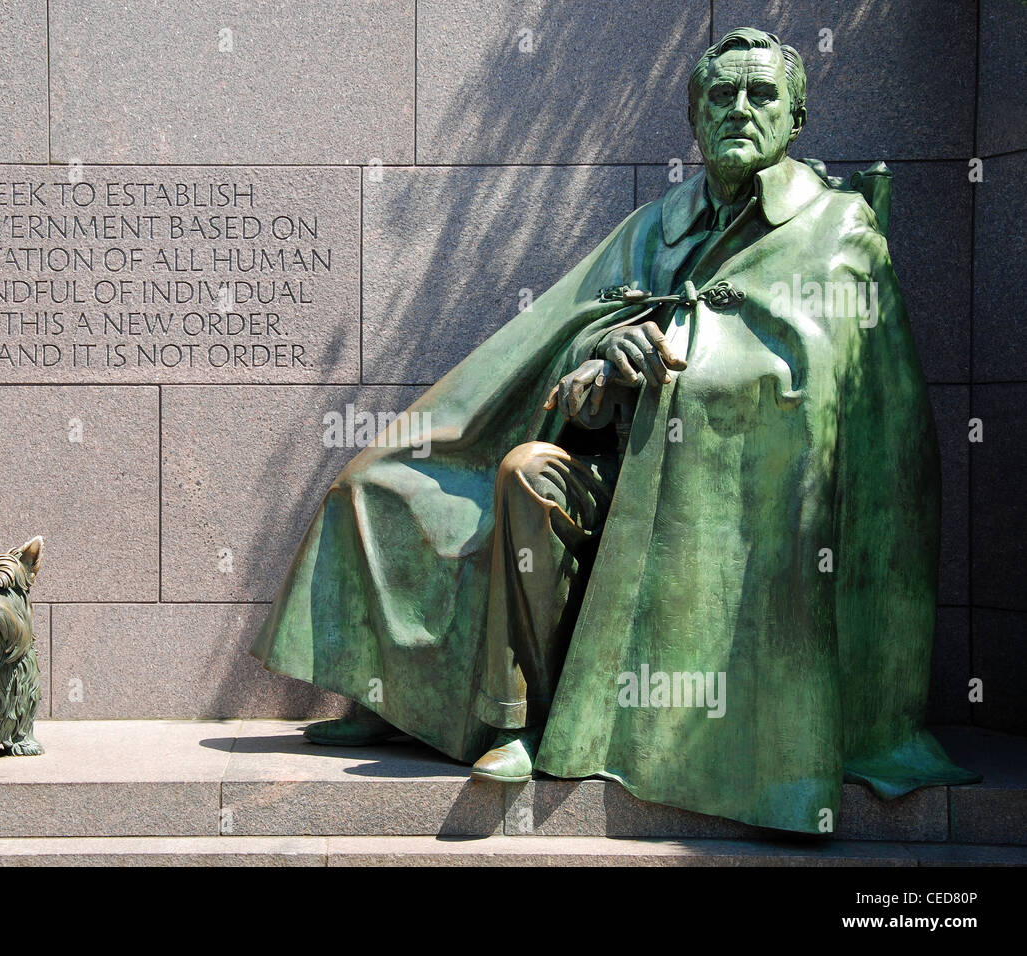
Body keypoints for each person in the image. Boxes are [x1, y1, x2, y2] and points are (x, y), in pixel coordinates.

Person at [250, 27, 978, 833]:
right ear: (695, 120)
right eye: (720, 95)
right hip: (619, 474)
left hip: (734, 510)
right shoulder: (655, 226)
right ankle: (507, 716)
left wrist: (684, 367)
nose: (740, 108)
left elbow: (835, 402)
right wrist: (599, 359)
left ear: (796, 118)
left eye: (761, 94)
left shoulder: (837, 230)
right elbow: (567, 345)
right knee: (467, 476)